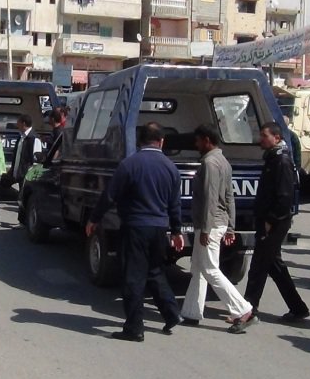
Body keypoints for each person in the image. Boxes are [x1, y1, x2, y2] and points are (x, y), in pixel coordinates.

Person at [86, 123, 183, 342]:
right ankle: (171, 313)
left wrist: (94, 219)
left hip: (135, 226)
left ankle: (134, 327)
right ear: (161, 141)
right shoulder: (170, 167)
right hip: (160, 228)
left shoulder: (129, 164)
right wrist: (176, 231)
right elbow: (175, 204)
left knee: (133, 276)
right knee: (155, 271)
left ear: (140, 141)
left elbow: (110, 195)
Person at [179, 125, 255, 332]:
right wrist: (230, 226)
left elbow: (210, 199)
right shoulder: (223, 161)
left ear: (206, 140)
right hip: (217, 223)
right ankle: (191, 312)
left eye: (198, 140)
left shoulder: (210, 163)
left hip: (210, 225)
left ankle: (243, 310)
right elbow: (230, 197)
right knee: (199, 268)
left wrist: (205, 229)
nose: (196, 144)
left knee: (210, 269)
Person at [243, 122, 310, 323]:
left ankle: (248, 310)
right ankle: (298, 308)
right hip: (268, 220)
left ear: (277, 138)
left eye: (265, 136)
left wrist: (270, 220)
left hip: (274, 222)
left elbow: (284, 196)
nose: (261, 139)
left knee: (258, 267)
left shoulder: (281, 161)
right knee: (274, 265)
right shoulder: (273, 158)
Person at [12, 114, 42, 185]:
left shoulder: (34, 139)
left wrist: (31, 177)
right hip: (19, 175)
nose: (17, 124)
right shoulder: (21, 137)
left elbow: (36, 161)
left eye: (18, 122)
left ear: (23, 123)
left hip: (28, 177)